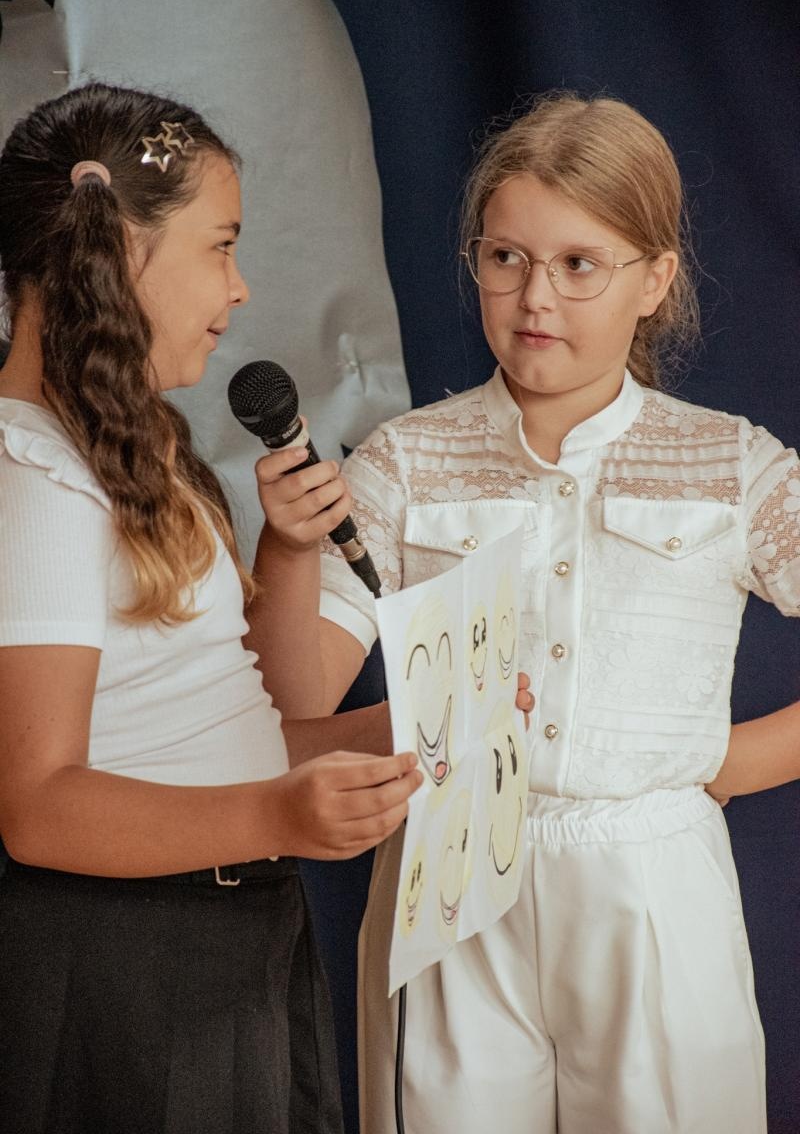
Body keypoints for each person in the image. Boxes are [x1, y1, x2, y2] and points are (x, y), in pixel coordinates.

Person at [249, 92, 800, 1134]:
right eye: (505, 259)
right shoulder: (405, 458)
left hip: (650, 886)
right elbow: (290, 703)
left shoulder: (728, 463)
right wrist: (284, 549)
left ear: (654, 281)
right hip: (447, 882)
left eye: (578, 264)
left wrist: (721, 763)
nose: (534, 297)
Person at [0, 81, 426, 1134]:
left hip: (235, 932)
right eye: (218, 246)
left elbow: (243, 722)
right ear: (115, 250)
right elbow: (35, 803)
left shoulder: (134, 455)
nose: (237, 290)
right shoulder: (32, 474)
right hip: (131, 959)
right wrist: (276, 815)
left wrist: (400, 726)